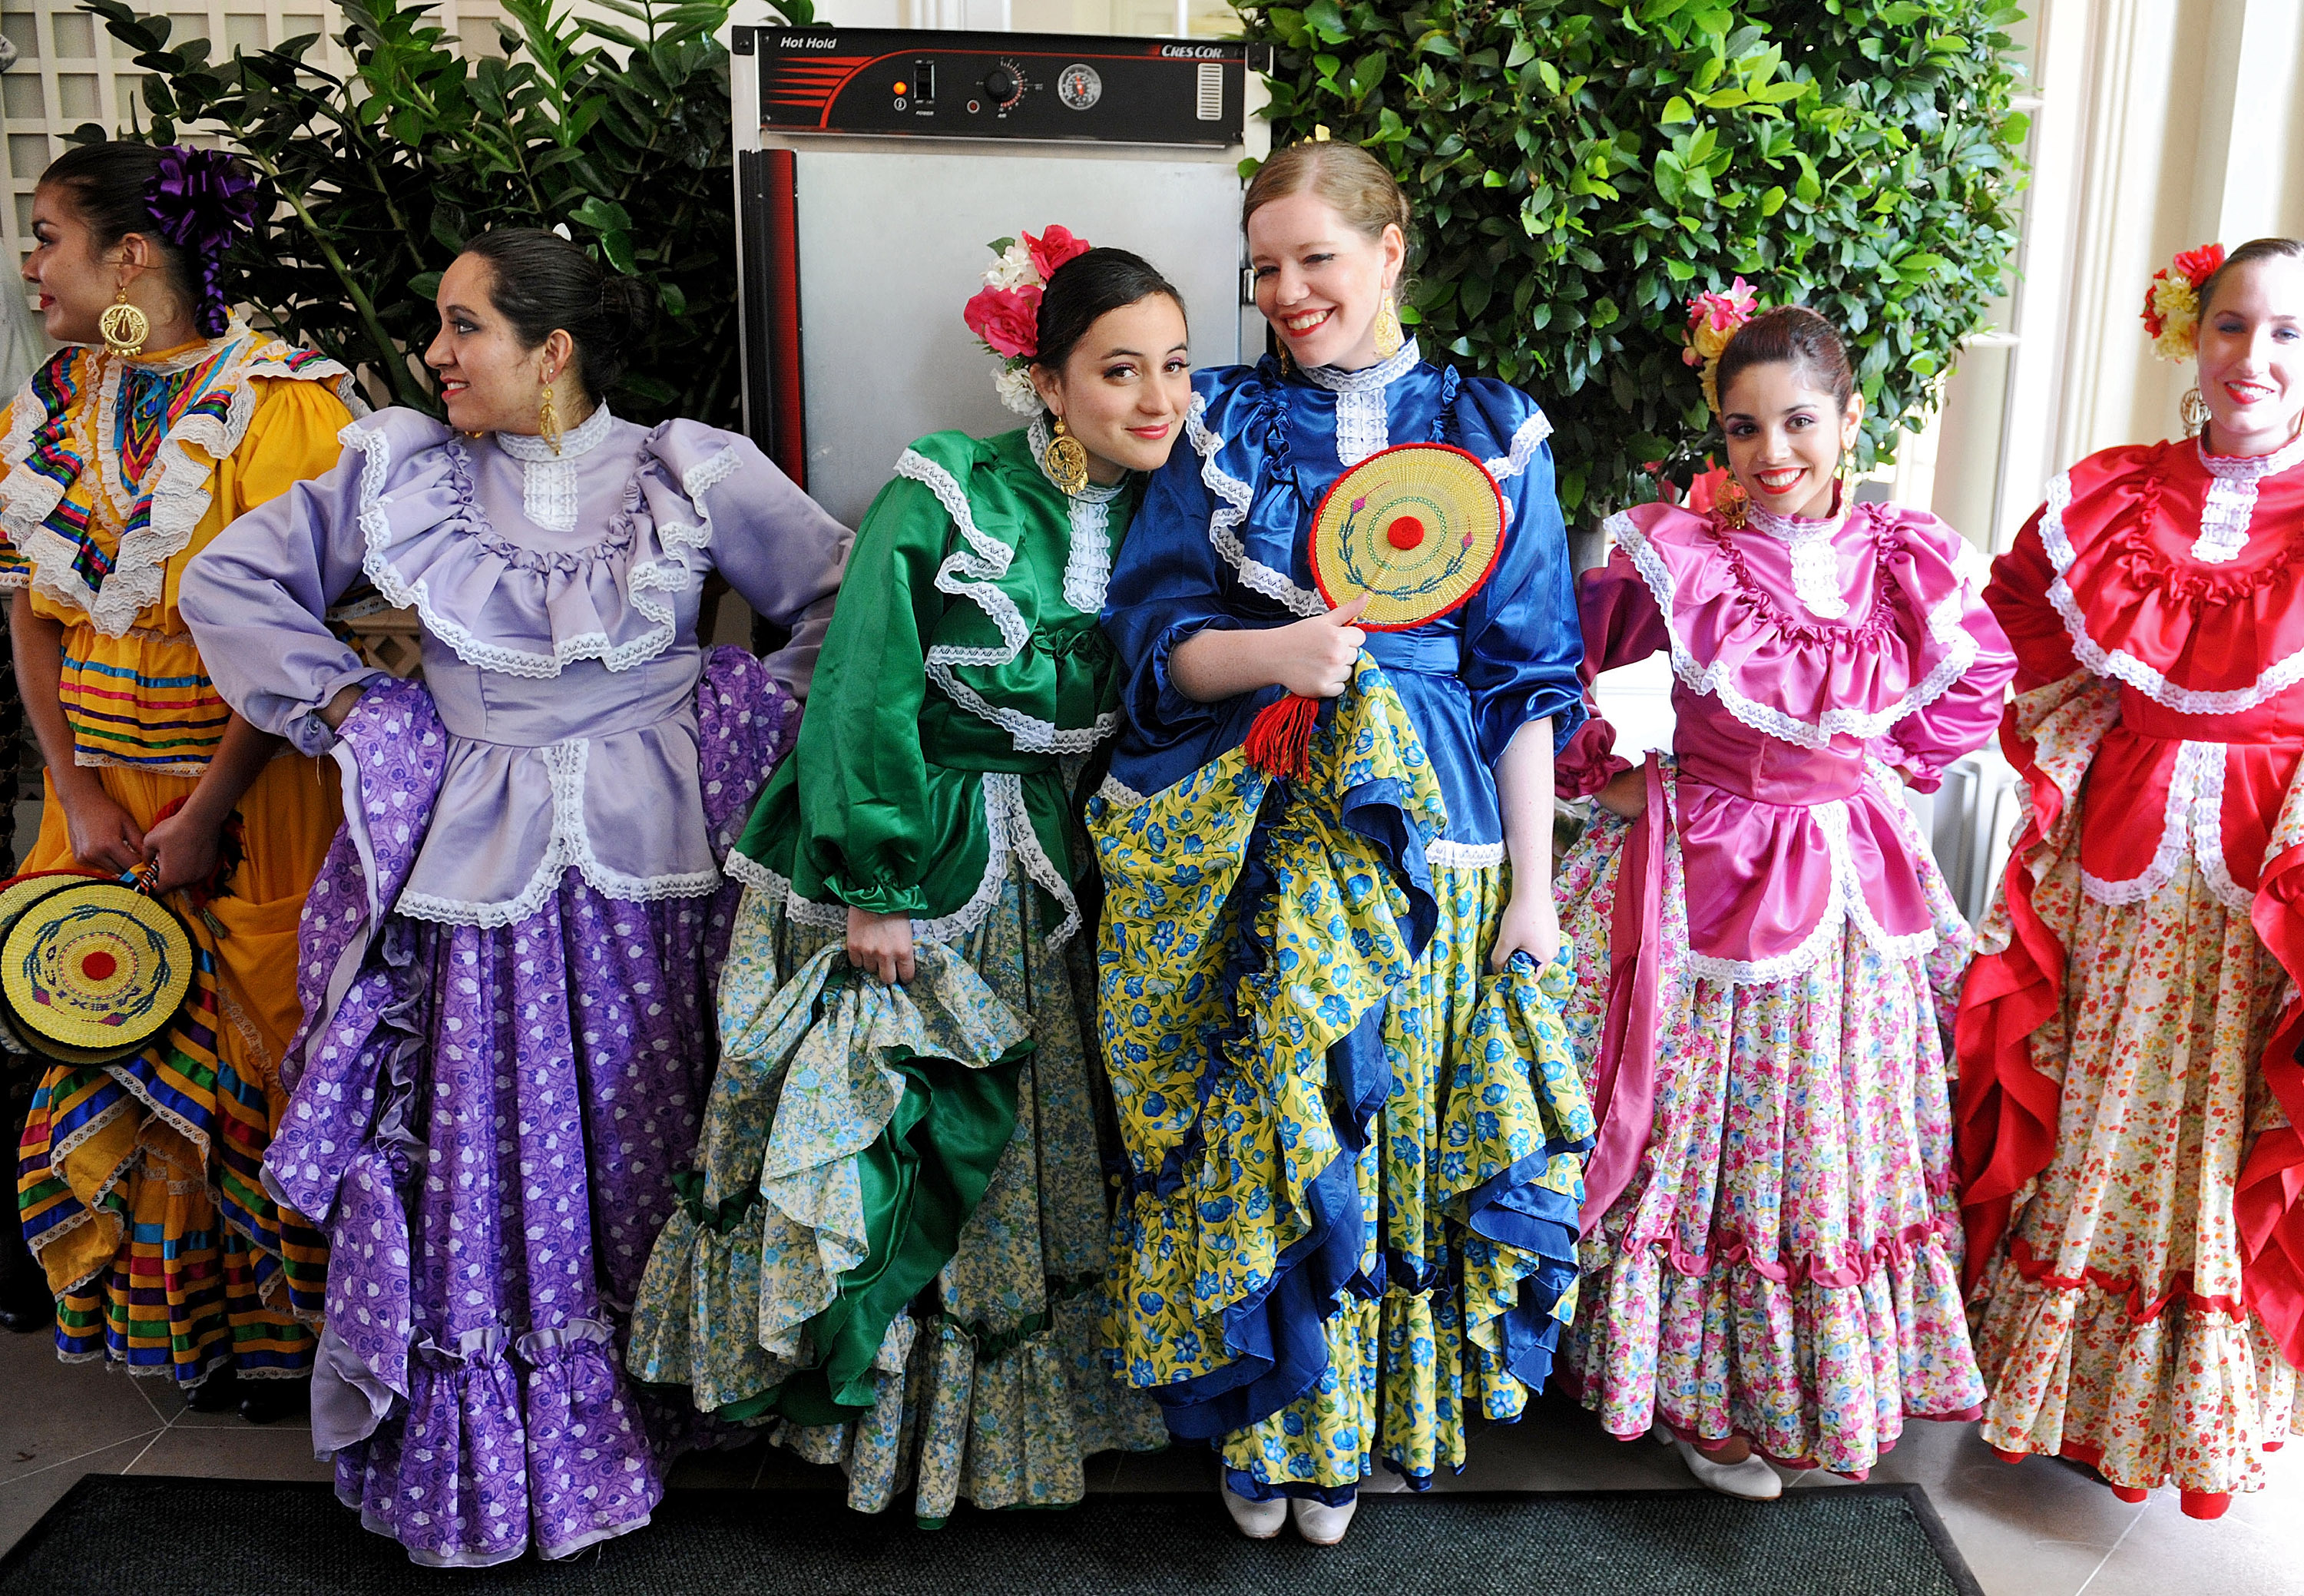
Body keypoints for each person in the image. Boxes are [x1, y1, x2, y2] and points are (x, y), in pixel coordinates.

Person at [177, 228, 852, 1565]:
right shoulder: (403, 470)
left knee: (654, 1130)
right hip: (478, 880)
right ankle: (526, 1449)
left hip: (665, 875)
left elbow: (843, 599)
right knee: (499, 1149)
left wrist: (742, 720)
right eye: (441, 326)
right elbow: (231, 580)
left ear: (551, 351)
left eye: (461, 326)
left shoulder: (687, 467)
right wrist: (360, 711)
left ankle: (664, 1410)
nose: (435, 354)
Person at [626, 238, 1184, 1522]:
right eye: (1117, 370)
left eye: (1173, 367)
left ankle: (990, 1440)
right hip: (915, 851)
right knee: (904, 1138)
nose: (1154, 398)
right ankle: (871, 1439)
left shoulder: (1178, 503)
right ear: (1045, 381)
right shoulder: (948, 485)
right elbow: (863, 675)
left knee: (1020, 1153)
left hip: (1058, 867)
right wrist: (873, 882)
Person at [1093, 140, 1592, 1545]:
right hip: (1267, 826)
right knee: (1282, 1118)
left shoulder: (1499, 426)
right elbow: (1150, 651)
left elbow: (1528, 684)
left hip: (1441, 842)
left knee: (1395, 1135)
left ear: (1390, 249)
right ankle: (1271, 1425)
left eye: (1316, 257)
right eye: (1264, 268)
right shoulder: (1220, 423)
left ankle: (1356, 1434)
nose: (1289, 291)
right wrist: (1282, 649)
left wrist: (1536, 901)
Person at [1551, 301, 2013, 1498]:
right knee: (1713, 1127)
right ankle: (1708, 1394)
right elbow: (1571, 664)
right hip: (1711, 875)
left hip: (1851, 877)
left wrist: (1876, 768)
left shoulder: (1907, 557)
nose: (1773, 453)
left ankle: (1809, 1381)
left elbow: (1969, 694)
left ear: (1851, 419)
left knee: (1832, 1129)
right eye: (1744, 427)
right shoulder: (1687, 554)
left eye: (1800, 421)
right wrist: (1604, 774)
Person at [7, 141, 361, 1419]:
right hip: (98, 801)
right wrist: (82, 790)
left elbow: (298, 639)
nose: (31, 263)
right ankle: (177, 1343)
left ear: (131, 258)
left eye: (48, 234)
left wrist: (205, 810)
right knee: (115, 1030)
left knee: (265, 1054)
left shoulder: (290, 407)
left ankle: (291, 1347)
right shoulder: (53, 408)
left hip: (252, 802)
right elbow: (29, 617)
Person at [1957, 237, 2304, 1518]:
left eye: (2285, 334)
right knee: (2093, 1090)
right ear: (2189, 335)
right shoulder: (2115, 494)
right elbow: (2024, 611)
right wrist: (2084, 737)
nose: (2254, 358)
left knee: (2219, 1126)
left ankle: (2188, 1412)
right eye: (2231, 327)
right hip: (2120, 850)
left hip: (2264, 879)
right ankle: (2057, 1392)